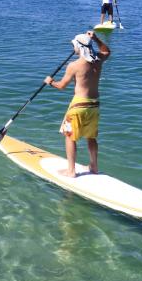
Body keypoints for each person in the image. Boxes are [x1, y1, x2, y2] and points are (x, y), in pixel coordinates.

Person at [44, 31, 111, 177]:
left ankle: (71, 171)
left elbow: (62, 86)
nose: (73, 47)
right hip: (94, 105)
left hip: (78, 106)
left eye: (74, 45)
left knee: (69, 136)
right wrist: (96, 38)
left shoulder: (74, 65)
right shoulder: (98, 59)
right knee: (91, 137)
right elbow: (107, 51)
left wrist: (50, 82)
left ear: (79, 46)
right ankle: (94, 167)